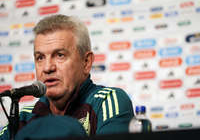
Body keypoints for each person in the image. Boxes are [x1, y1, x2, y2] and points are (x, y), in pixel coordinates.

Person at [0, 14, 134, 139]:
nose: (47, 68)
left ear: (86, 62)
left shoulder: (107, 101)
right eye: (40, 58)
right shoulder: (23, 117)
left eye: (60, 55)